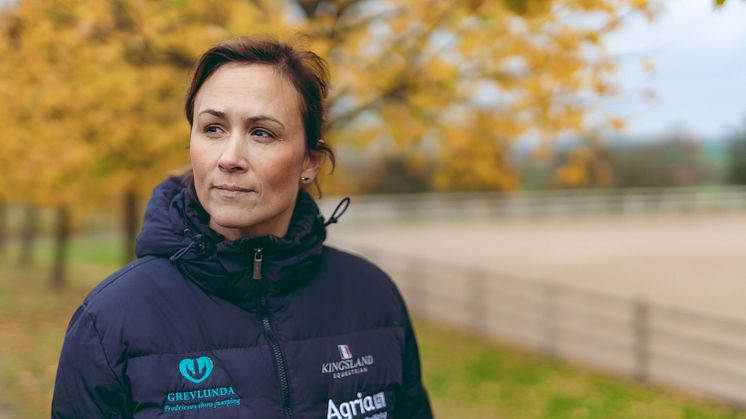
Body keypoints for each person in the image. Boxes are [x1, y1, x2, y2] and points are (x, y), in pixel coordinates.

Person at [51, 37, 433, 418]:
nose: (230, 158)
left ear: (309, 162)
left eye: (262, 132)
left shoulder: (372, 299)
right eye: (213, 129)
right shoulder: (110, 319)